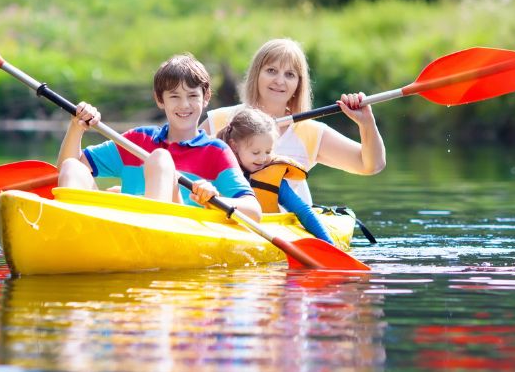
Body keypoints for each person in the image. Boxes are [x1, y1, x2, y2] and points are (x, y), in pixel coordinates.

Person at [57, 53, 263, 221]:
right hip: (121, 230)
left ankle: (148, 228)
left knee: (160, 159)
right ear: (160, 100)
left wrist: (214, 198)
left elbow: (254, 210)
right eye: (174, 96)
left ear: (206, 97)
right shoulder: (138, 139)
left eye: (192, 96)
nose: (184, 105)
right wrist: (77, 127)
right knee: (72, 167)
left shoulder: (216, 152)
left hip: (173, 232)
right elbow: (66, 170)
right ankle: (71, 232)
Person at [200, 38, 386, 205]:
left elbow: (371, 165)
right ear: (257, 75)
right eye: (271, 71)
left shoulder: (310, 132)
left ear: (299, 84)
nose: (280, 81)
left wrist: (366, 123)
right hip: (226, 219)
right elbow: (180, 158)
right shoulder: (220, 120)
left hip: (287, 227)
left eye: (290, 74)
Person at [217, 106, 334, 243]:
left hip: (263, 235)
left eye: (268, 152)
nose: (262, 159)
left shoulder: (273, 179)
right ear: (234, 145)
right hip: (221, 230)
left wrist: (329, 244)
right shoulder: (219, 170)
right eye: (255, 152)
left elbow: (303, 211)